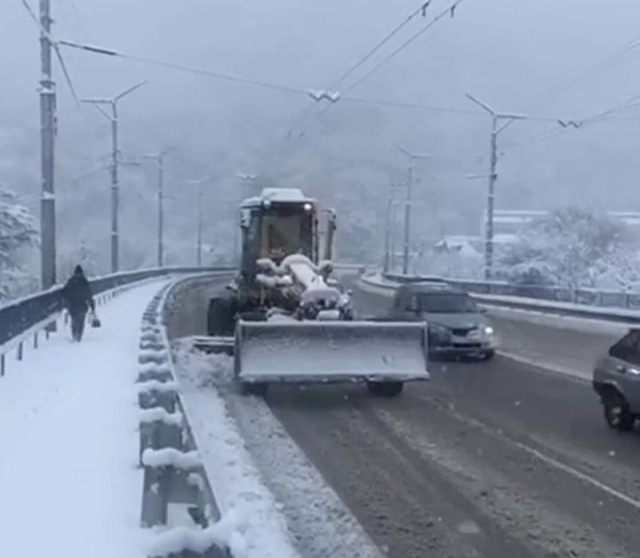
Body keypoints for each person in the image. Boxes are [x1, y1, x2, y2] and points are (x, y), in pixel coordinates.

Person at [62, 265, 95, 342]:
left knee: (74, 320)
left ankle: (74, 335)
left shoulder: (71, 281)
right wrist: (92, 307)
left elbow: (65, 292)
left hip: (73, 305)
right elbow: (89, 295)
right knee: (81, 321)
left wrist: (66, 302)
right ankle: (79, 336)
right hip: (82, 305)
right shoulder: (84, 282)